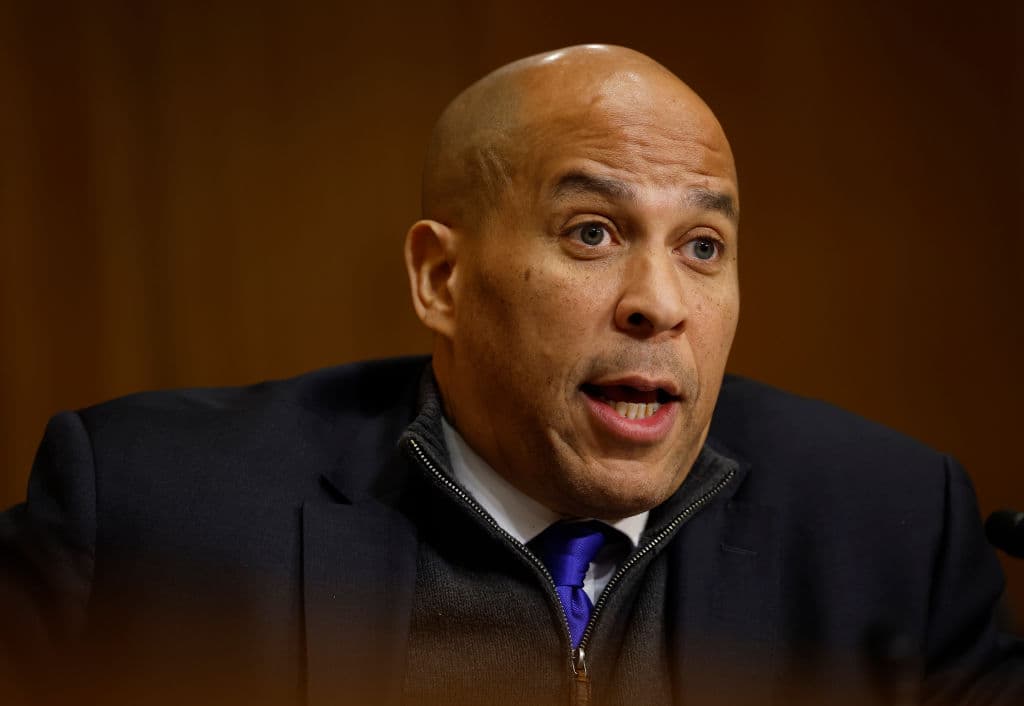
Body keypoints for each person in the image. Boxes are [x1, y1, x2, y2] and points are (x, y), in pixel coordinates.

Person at [1, 45, 1021, 706]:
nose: (659, 302)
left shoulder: (892, 529)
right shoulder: (147, 509)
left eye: (702, 246)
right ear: (441, 277)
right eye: (592, 232)